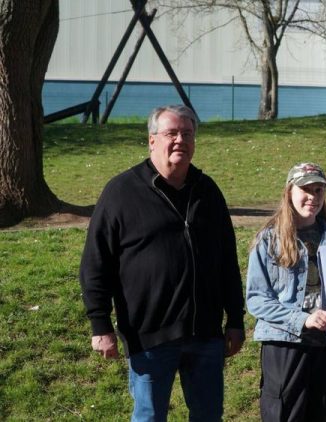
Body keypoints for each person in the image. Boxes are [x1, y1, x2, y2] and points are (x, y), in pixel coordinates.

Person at [79, 104, 246, 421]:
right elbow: (96, 263)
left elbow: (227, 261)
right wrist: (100, 325)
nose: (180, 140)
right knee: (149, 417)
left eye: (187, 134)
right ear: (152, 140)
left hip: (206, 334)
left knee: (209, 417)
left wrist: (235, 319)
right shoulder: (121, 192)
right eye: (172, 133)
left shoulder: (207, 191)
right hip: (149, 337)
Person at [246, 162, 326, 422]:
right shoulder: (269, 240)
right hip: (285, 344)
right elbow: (256, 299)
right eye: (306, 189)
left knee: (325, 413)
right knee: (285, 414)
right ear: (289, 192)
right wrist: (303, 319)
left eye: (319, 190)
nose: (313, 197)